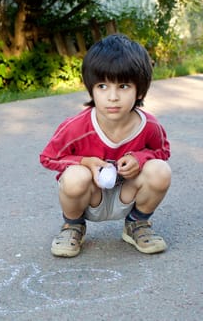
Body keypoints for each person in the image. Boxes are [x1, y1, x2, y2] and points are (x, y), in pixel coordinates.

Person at [40, 34, 172, 257]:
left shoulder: (148, 125)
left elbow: (162, 151)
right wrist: (85, 162)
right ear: (91, 89)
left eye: (123, 86)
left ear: (139, 90)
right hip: (91, 196)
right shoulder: (76, 127)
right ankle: (72, 226)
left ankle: (136, 224)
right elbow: (48, 157)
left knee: (160, 171)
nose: (112, 97)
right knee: (75, 177)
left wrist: (140, 159)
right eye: (102, 86)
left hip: (127, 193)